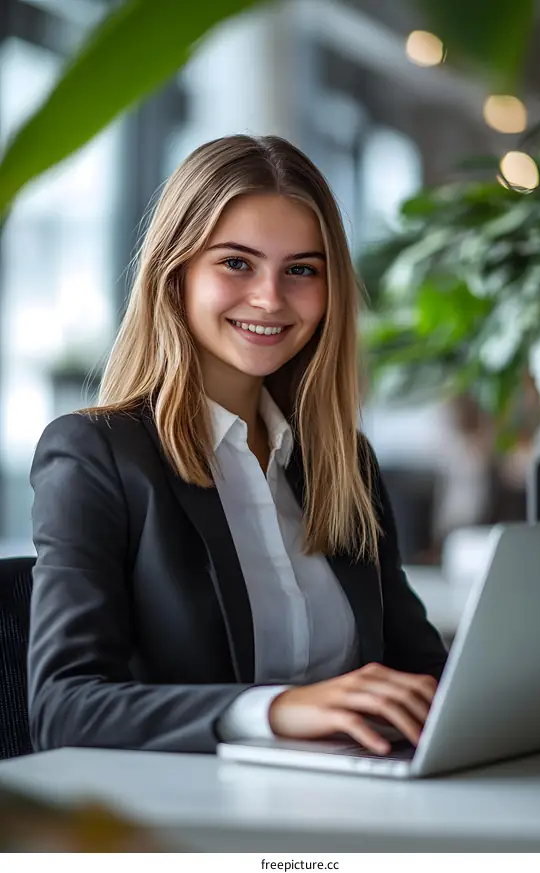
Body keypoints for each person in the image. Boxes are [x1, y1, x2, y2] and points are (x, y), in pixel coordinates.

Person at [28, 134, 447, 757]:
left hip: (359, 802)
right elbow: (63, 708)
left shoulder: (341, 461)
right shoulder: (97, 456)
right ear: (177, 272)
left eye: (301, 270)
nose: (271, 298)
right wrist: (273, 711)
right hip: (190, 825)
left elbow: (420, 673)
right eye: (236, 263)